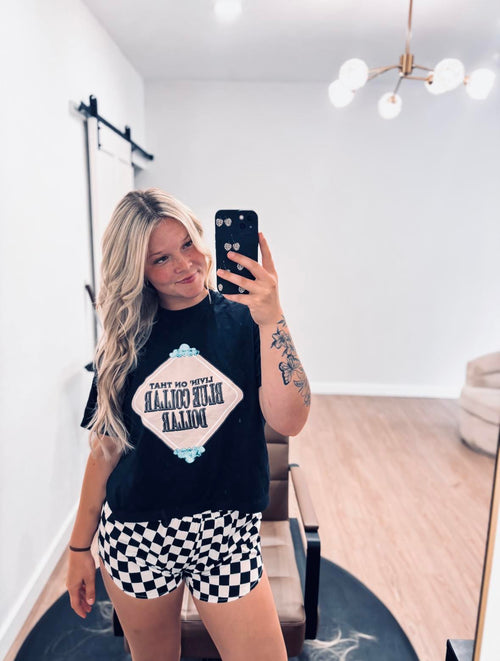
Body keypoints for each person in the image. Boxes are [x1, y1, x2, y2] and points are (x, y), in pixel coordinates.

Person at [66, 189, 310, 661]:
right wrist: (79, 548)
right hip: (139, 537)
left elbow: (290, 420)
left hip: (227, 532)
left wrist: (272, 317)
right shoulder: (125, 341)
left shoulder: (247, 321)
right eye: (161, 259)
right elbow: (106, 450)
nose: (185, 265)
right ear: (137, 270)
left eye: (188, 244)